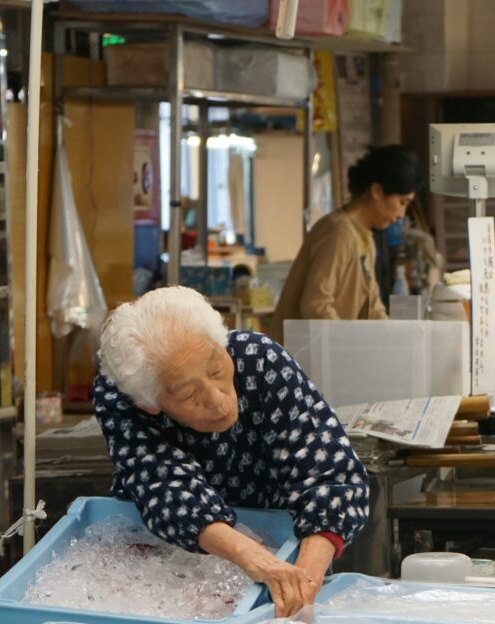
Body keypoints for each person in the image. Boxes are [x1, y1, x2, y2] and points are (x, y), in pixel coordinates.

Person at [95, 287, 370, 618]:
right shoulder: (122, 396)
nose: (217, 400)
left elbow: (330, 475)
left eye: (216, 370)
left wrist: (304, 583)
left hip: (283, 541)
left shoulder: (259, 359)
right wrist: (253, 558)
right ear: (149, 403)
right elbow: (166, 487)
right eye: (189, 394)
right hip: (166, 565)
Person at [270, 146, 420, 344]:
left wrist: (396, 341)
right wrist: (346, 346)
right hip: (296, 356)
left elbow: (374, 308)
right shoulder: (339, 233)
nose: (402, 215)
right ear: (377, 191)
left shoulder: (364, 238)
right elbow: (316, 305)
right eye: (402, 202)